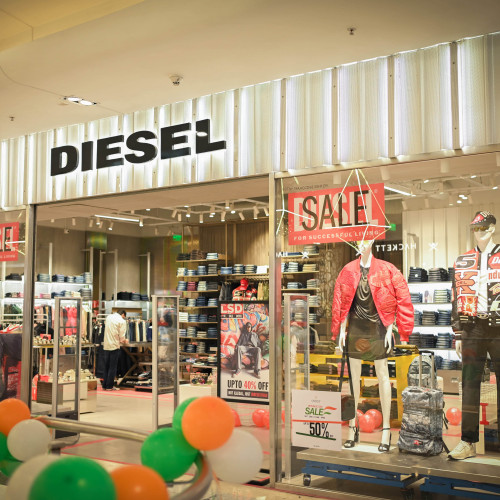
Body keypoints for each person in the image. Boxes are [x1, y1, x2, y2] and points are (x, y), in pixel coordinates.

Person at [331, 240, 414, 452]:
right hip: (355, 329)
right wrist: (340, 329)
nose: (362, 244)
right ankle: (352, 427)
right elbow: (340, 300)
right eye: (359, 240)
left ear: (373, 242)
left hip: (378, 328)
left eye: (366, 240)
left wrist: (393, 327)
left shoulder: (387, 269)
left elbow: (401, 297)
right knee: (353, 379)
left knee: (383, 376)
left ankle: (386, 429)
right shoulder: (347, 270)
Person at [449, 211, 500, 460]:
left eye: (482, 228)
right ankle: (468, 441)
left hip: (498, 327)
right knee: (469, 384)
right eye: (475, 229)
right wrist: (458, 332)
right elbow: (455, 297)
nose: (478, 233)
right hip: (472, 327)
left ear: (492, 229)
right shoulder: (463, 260)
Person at [102, 310, 128, 390]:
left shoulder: (108, 317)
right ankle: (109, 386)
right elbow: (122, 337)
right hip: (114, 345)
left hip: (106, 345)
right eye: (124, 316)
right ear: (123, 314)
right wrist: (125, 340)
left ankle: (104, 385)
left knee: (106, 366)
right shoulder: (122, 321)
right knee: (112, 367)